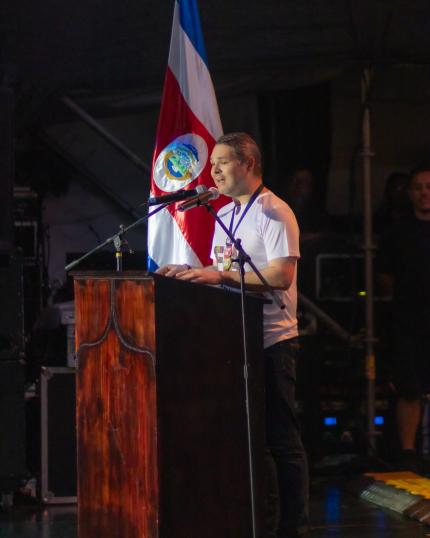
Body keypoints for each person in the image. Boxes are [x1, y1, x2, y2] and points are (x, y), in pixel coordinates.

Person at [157, 132, 309, 538]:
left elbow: (281, 275)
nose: (214, 171)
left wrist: (218, 274)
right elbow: (226, 268)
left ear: (249, 164)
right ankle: (262, 521)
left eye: (223, 162)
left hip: (273, 342)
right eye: (212, 165)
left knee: (281, 440)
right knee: (249, 443)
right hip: (234, 342)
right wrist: (187, 274)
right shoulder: (225, 213)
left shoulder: (274, 212)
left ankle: (294, 528)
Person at [376, 165, 430, 470]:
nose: (424, 193)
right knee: (409, 386)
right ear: (410, 193)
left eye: (429, 187)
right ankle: (408, 452)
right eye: (418, 187)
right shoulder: (398, 232)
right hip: (409, 318)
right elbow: (385, 276)